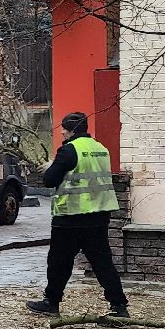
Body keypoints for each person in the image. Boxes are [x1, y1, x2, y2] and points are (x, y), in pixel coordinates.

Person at [27, 111, 129, 317]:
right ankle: (119, 306)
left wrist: (50, 167)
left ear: (71, 129)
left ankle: (51, 302)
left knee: (59, 262)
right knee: (102, 262)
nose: (62, 132)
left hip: (71, 217)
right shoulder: (100, 148)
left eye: (64, 128)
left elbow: (50, 180)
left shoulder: (68, 150)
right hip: (99, 215)